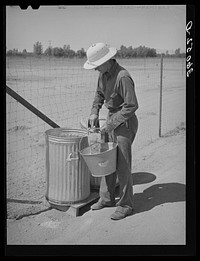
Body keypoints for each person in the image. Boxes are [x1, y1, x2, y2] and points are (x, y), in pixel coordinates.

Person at [83, 43, 139, 220]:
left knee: (123, 165)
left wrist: (111, 124)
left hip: (124, 123)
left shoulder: (123, 77)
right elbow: (99, 95)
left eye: (96, 65)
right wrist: (94, 112)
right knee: (106, 162)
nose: (95, 69)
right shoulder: (103, 74)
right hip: (110, 121)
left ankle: (126, 205)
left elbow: (132, 106)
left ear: (106, 60)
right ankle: (106, 199)